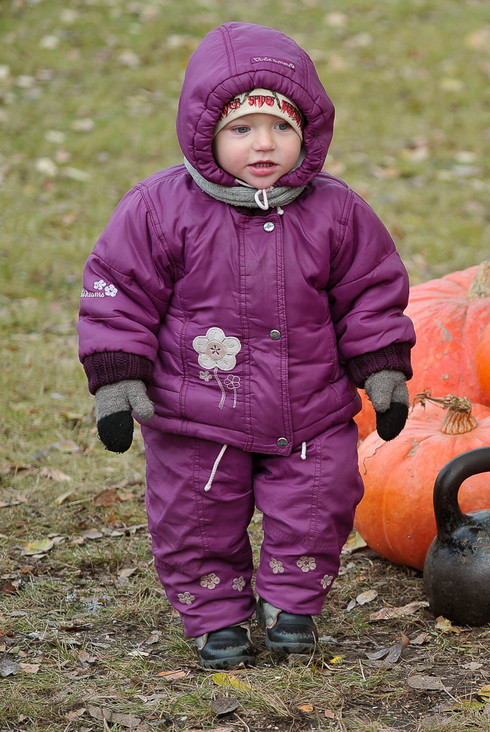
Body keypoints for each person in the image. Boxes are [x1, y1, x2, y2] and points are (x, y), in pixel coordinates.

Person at [77, 21, 415, 670]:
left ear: (307, 133)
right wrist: (118, 379)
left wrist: (381, 368)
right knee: (195, 517)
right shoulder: (159, 211)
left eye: (281, 128)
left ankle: (292, 605)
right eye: (241, 129)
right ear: (206, 133)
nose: (264, 144)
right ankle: (215, 612)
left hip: (310, 410)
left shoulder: (336, 212)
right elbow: (118, 289)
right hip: (197, 415)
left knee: (319, 502)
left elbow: (369, 292)